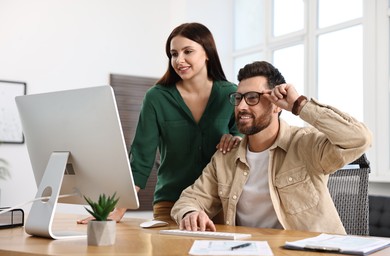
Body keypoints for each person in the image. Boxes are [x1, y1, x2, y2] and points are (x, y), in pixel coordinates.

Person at [170, 61, 372, 234]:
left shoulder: (305, 144)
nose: (241, 107)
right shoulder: (226, 157)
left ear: (277, 104)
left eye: (252, 98)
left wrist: (299, 105)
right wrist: (190, 212)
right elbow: (189, 199)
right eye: (238, 98)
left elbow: (359, 139)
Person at [77, 22, 241, 224]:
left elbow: (249, 140)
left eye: (187, 51)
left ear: (207, 53)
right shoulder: (156, 97)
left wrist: (236, 138)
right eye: (173, 54)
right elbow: (141, 157)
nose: (179, 60)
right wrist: (118, 209)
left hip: (221, 204)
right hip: (171, 204)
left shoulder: (232, 94)